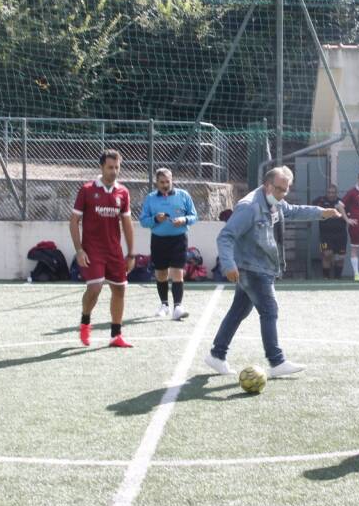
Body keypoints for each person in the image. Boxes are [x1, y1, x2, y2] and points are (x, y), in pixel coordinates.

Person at [206, 167, 342, 377]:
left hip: (261, 267)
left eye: (285, 191)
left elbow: (292, 210)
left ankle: (217, 355)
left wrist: (320, 213)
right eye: (279, 190)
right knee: (269, 311)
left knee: (238, 311)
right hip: (252, 269)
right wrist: (228, 264)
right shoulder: (249, 207)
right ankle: (276, 361)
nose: (282, 195)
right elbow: (225, 236)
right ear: (268, 185)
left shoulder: (275, 201)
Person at [70, 149, 135, 348]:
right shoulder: (87, 190)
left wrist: (131, 253)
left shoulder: (123, 192)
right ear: (101, 167)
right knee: (95, 288)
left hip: (114, 250)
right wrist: (79, 250)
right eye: (110, 167)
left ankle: (116, 335)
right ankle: (85, 321)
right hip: (92, 250)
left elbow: (127, 222)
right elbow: (74, 221)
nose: (114, 171)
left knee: (119, 289)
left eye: (117, 167)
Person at [139, 168, 197, 320]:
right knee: (161, 273)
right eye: (162, 182)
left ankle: (178, 306)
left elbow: (194, 216)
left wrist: (183, 220)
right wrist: (155, 219)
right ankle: (164, 305)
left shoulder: (183, 195)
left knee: (178, 272)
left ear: (172, 181)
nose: (165, 185)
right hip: (158, 240)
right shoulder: (150, 199)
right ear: (156, 183)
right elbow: (143, 221)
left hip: (179, 239)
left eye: (168, 182)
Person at [312, 184, 347, 279]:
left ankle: (337, 278)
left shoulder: (342, 203)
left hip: (341, 234)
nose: (331, 195)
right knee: (327, 254)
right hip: (325, 235)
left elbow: (347, 216)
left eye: (333, 193)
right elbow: (310, 209)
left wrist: (340, 216)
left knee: (340, 258)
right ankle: (326, 277)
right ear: (326, 193)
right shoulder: (320, 201)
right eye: (329, 192)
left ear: (336, 193)